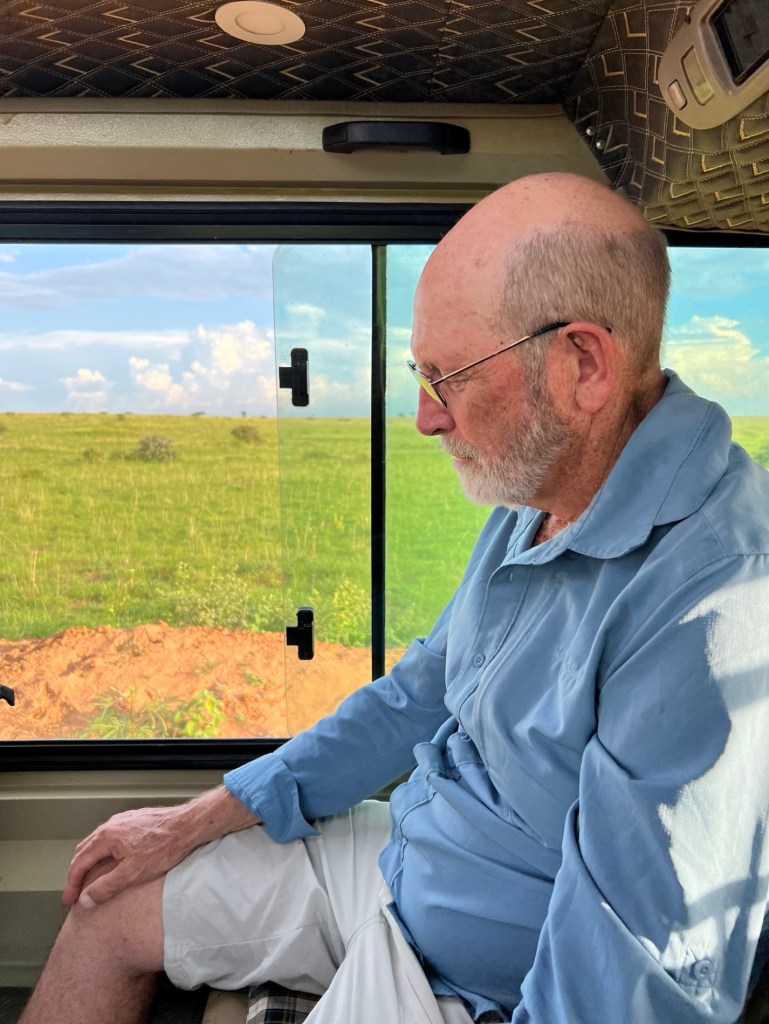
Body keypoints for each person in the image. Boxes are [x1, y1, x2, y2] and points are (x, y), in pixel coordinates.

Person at [20, 172, 769, 1024]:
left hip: (485, 978)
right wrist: (194, 819)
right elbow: (419, 692)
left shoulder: (716, 600)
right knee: (109, 899)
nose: (424, 417)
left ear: (582, 365)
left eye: (449, 377)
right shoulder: (540, 496)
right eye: (421, 373)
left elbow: (630, 986)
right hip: (408, 857)